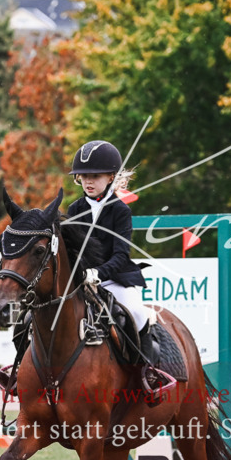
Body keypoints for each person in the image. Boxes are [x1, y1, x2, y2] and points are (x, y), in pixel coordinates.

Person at [65, 140, 174, 397]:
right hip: (81, 280)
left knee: (136, 313)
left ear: (111, 177)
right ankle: (20, 371)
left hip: (114, 279)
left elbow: (120, 255)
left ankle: (148, 373)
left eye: (95, 176)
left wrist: (98, 274)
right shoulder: (74, 209)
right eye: (83, 176)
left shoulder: (120, 211)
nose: (88, 182)